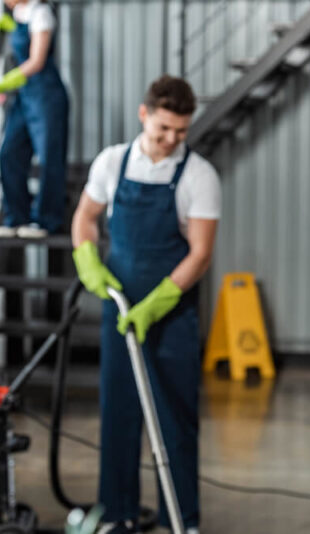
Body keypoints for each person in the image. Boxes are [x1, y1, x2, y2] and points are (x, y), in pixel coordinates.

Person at [71, 75, 221, 534]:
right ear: (144, 115)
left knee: (174, 417)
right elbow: (86, 217)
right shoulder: (112, 163)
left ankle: (184, 522)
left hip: (170, 314)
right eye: (163, 130)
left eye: (181, 131)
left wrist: (160, 302)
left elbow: (200, 252)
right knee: (119, 414)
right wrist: (87, 260)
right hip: (120, 311)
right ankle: (118, 516)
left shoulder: (198, 174)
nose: (172, 139)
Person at [0, 0, 69, 239]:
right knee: (9, 153)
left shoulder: (41, 13)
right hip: (24, 97)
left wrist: (3, 83)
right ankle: (16, 217)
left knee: (49, 157)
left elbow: (37, 61)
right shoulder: (17, 13)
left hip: (46, 94)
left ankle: (46, 220)